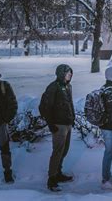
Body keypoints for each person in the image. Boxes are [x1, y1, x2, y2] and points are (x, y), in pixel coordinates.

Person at [40, 64, 75, 192]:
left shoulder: (68, 86)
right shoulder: (53, 87)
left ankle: (58, 173)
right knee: (57, 151)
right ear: (61, 73)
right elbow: (45, 107)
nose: (70, 74)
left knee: (64, 151)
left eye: (70, 72)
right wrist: (51, 124)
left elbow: (70, 103)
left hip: (67, 123)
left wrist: (73, 118)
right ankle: (52, 179)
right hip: (58, 125)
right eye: (67, 72)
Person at [0, 64, 17, 183]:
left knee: (5, 149)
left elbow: (13, 104)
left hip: (0, 124)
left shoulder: (4, 86)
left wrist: (6, 119)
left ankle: (8, 173)